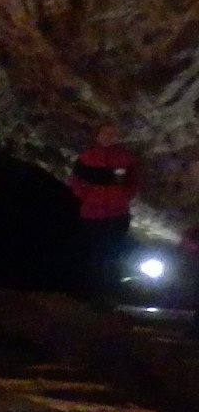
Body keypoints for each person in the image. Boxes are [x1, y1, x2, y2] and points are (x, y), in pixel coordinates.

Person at [67, 124, 139, 300]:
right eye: (105, 133)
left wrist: (122, 198)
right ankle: (88, 294)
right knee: (92, 255)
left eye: (113, 133)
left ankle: (110, 296)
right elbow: (75, 182)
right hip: (92, 214)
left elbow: (134, 183)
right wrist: (88, 197)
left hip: (116, 214)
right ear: (98, 135)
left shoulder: (125, 159)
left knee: (112, 256)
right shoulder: (86, 158)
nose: (109, 136)